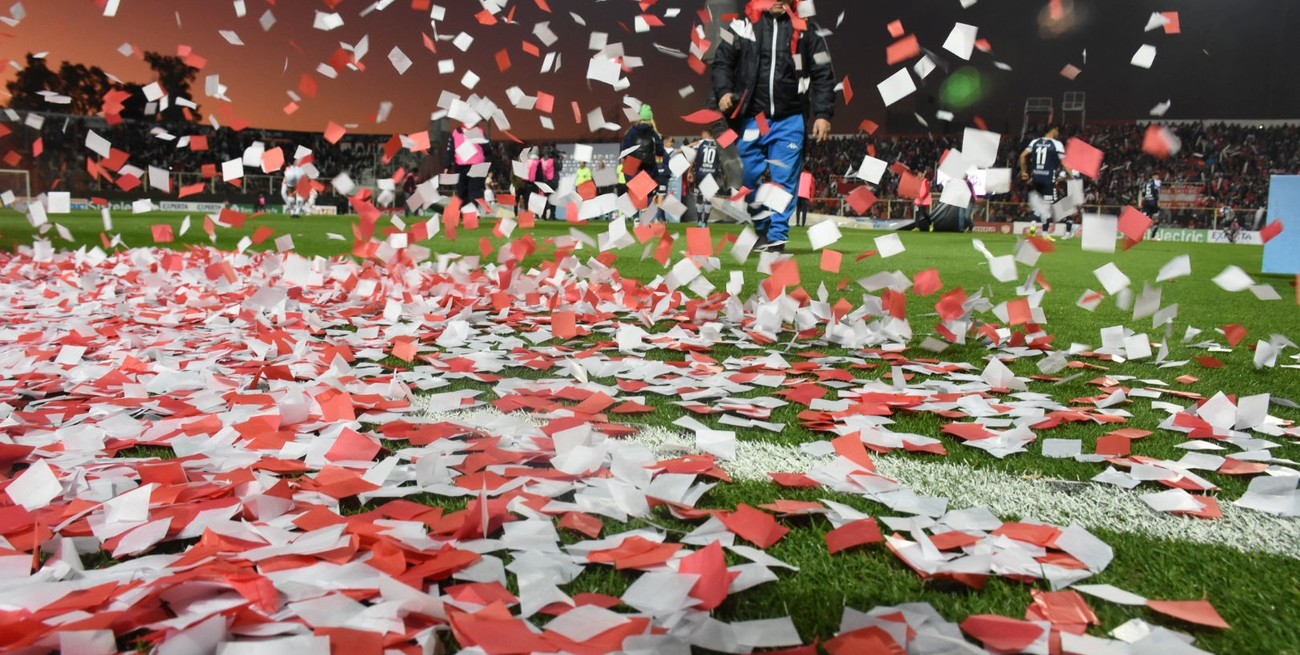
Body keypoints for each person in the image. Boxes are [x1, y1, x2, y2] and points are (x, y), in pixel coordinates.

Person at [712, 0, 835, 253]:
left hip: (790, 118)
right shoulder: (742, 26)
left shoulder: (808, 29)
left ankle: (777, 238)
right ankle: (764, 228)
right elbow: (721, 61)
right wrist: (724, 90)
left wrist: (823, 114)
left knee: (784, 180)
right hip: (754, 118)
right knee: (745, 177)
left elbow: (823, 72)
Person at [1019, 125, 1068, 238]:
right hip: (1048, 179)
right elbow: (1065, 162)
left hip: (1036, 178)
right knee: (1047, 207)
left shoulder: (1035, 142)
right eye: (1056, 130)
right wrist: (1069, 175)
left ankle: (1034, 231)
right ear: (1052, 131)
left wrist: (1023, 172)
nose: (1057, 132)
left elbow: (1022, 156)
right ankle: (1044, 234)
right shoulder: (1056, 144)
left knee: (1039, 207)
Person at [620, 104, 667, 221]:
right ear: (650, 118)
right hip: (648, 164)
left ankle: (636, 218)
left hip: (632, 164)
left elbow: (623, 149)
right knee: (650, 192)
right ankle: (647, 218)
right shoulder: (653, 133)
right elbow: (660, 149)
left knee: (634, 192)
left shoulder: (631, 132)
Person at [447, 123, 487, 206]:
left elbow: (487, 149)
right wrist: (447, 165)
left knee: (474, 190)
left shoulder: (457, 132)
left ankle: (472, 212)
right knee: (464, 191)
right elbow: (450, 150)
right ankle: (468, 212)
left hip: (474, 165)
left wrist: (447, 165)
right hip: (465, 165)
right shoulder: (457, 132)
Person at [690, 128, 721, 226]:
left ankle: (699, 220)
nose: (702, 135)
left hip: (700, 173)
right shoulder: (718, 144)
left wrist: (690, 171)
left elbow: (693, 155)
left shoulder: (700, 143)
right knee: (708, 198)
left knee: (699, 197)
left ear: (707, 134)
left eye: (703, 133)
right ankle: (705, 222)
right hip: (712, 174)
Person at [1141, 171, 1162, 239]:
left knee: (1144, 220)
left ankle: (1138, 235)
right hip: (1153, 202)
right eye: (1157, 176)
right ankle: (1153, 236)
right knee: (1156, 220)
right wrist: (1158, 201)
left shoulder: (1146, 182)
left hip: (1146, 202)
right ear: (1154, 176)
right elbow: (1156, 192)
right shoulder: (1156, 182)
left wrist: (1143, 201)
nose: (1158, 177)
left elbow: (1143, 193)